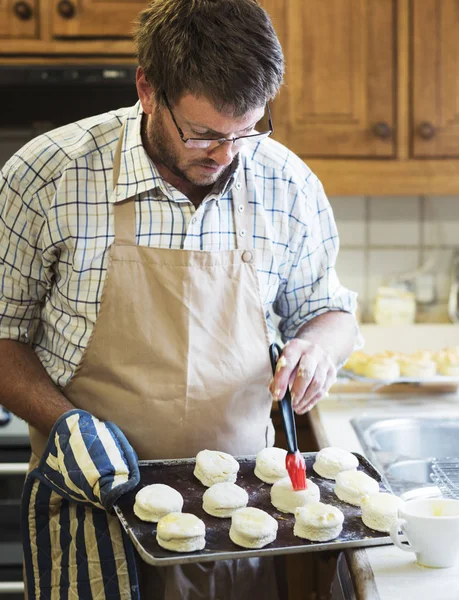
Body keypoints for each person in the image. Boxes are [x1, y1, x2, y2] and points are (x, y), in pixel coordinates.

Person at [0, 0, 358, 598]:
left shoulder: (285, 183)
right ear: (147, 88)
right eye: (203, 133)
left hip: (237, 524)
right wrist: (63, 422)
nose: (225, 156)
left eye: (247, 131)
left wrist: (318, 348)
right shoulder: (47, 177)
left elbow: (330, 311)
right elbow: (3, 334)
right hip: (90, 516)